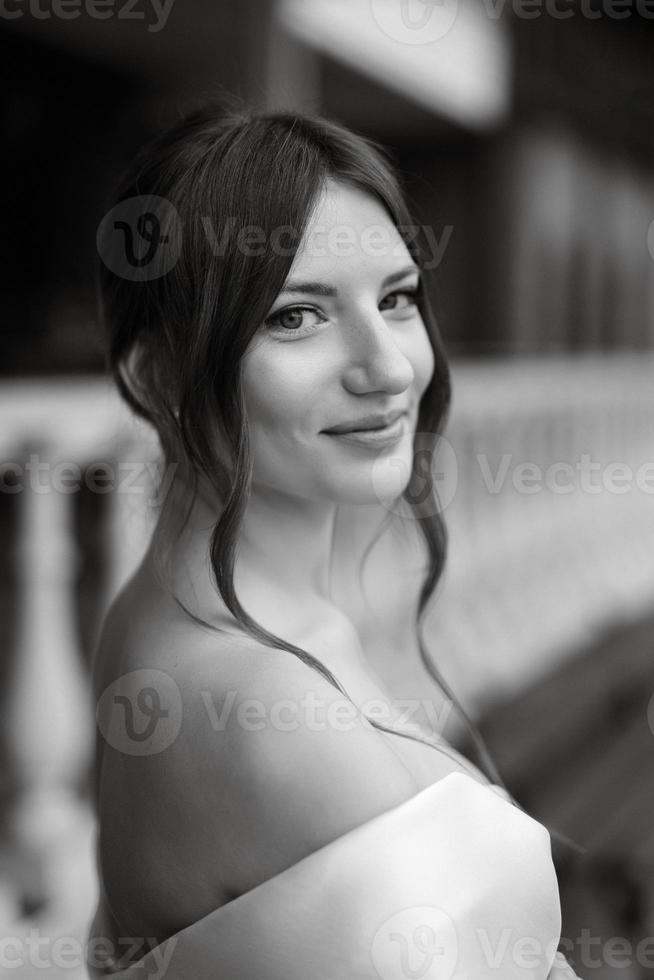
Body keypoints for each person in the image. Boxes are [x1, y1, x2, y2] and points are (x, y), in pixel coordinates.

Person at [87, 100, 581, 979]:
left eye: (396, 298)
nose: (389, 366)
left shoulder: (174, 611)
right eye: (296, 317)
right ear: (159, 373)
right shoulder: (267, 717)